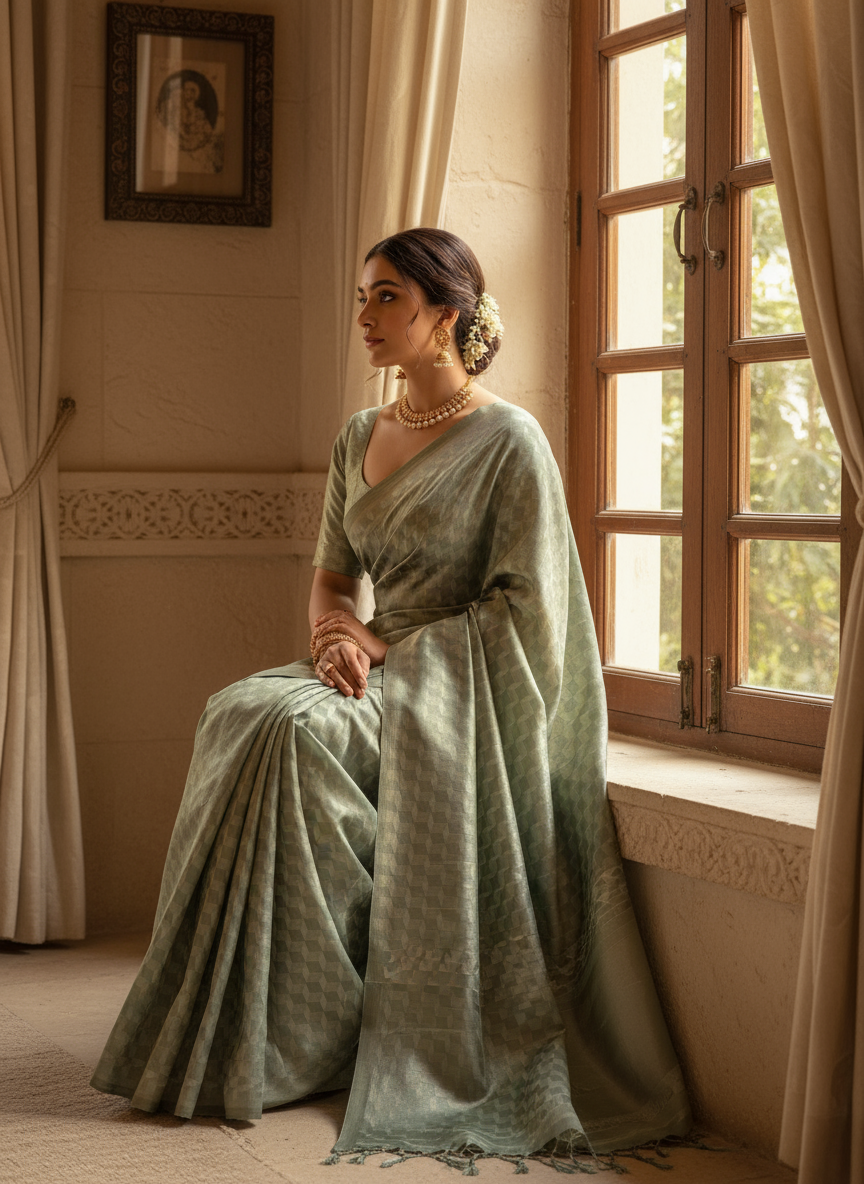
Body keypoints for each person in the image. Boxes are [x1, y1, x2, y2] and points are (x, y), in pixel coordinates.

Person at [91, 228, 691, 1170]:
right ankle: (258, 1022)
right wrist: (337, 638)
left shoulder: (510, 442)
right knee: (242, 710)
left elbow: (533, 615)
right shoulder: (358, 436)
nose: (363, 317)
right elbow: (333, 580)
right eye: (362, 295)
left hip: (461, 688)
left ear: (445, 315)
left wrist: (396, 649)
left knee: (297, 737)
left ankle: (320, 1032)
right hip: (372, 666)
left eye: (386, 300)